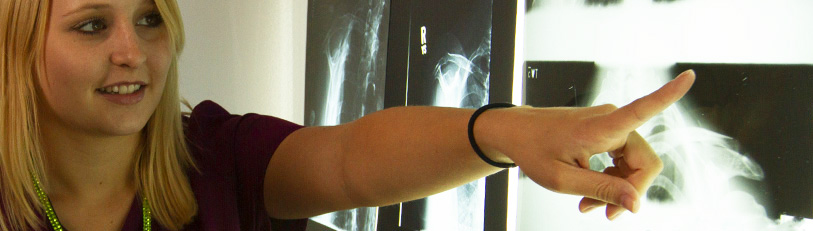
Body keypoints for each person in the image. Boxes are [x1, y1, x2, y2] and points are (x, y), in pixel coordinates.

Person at [0, 0, 696, 230]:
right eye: (91, 25)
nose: (133, 51)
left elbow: (348, 159)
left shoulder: (211, 157)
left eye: (149, 19)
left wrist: (516, 131)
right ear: (19, 44)